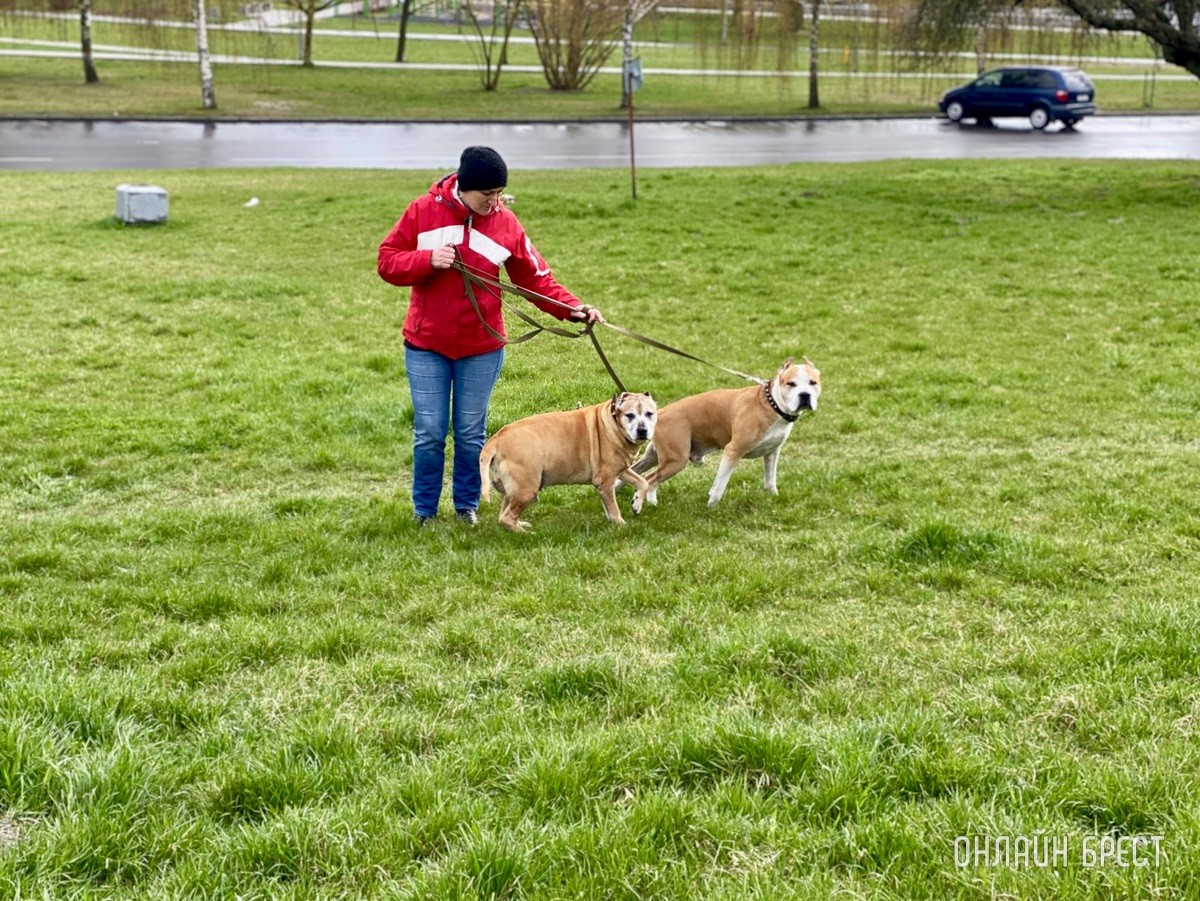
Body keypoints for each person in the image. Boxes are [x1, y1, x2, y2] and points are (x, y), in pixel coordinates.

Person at [377, 146, 604, 526]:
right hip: (426, 344)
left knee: (469, 433)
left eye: (499, 194)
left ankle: (466, 507)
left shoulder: (506, 223)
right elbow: (387, 261)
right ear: (463, 188)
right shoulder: (422, 211)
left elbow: (535, 279)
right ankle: (424, 512)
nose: (495, 203)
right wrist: (426, 260)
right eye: (487, 195)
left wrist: (572, 309)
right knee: (430, 432)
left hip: (481, 348)